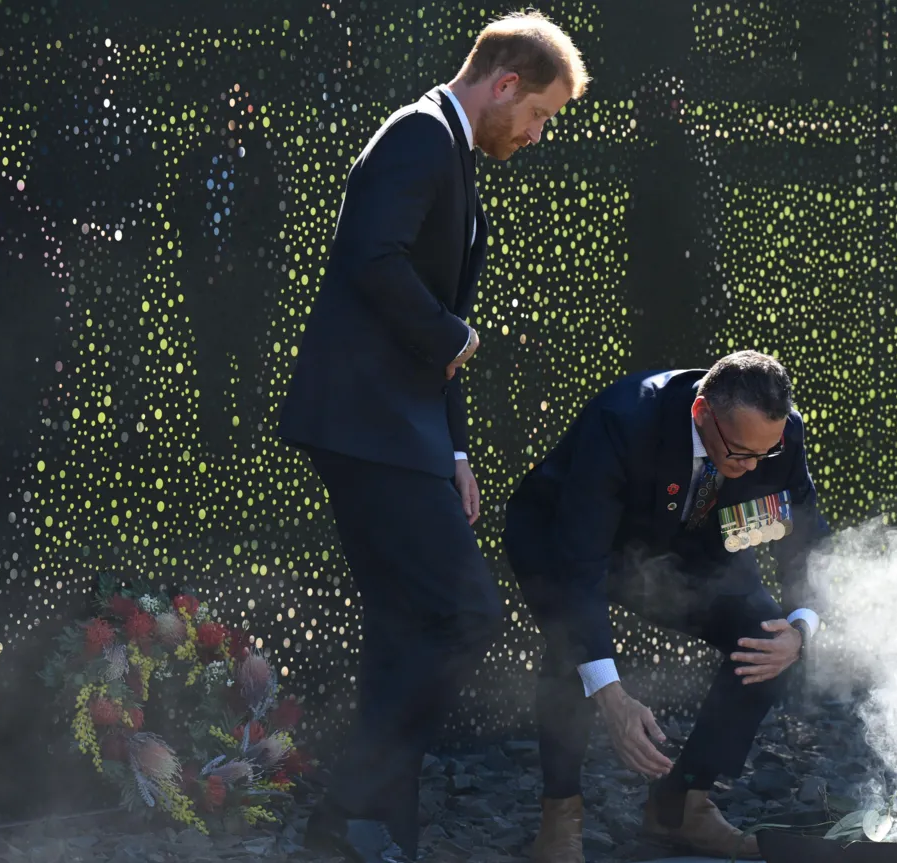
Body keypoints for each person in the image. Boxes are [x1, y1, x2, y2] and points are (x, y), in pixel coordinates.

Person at [277, 11, 588, 863]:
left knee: (408, 623)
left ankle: (375, 835)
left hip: (399, 427)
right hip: (366, 424)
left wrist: (454, 451)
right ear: (506, 85)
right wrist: (451, 340)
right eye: (540, 116)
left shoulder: (448, 147)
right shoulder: (417, 135)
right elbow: (368, 257)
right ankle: (345, 813)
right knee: (464, 612)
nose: (536, 135)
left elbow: (435, 313)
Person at [504, 351, 831, 863]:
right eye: (741, 454)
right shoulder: (623, 421)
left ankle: (681, 807)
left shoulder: (777, 437)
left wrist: (801, 630)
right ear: (702, 413)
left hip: (692, 542)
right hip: (567, 539)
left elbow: (807, 536)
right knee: (576, 648)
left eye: (764, 456)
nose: (752, 468)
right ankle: (559, 818)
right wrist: (611, 695)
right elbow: (579, 569)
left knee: (769, 641)